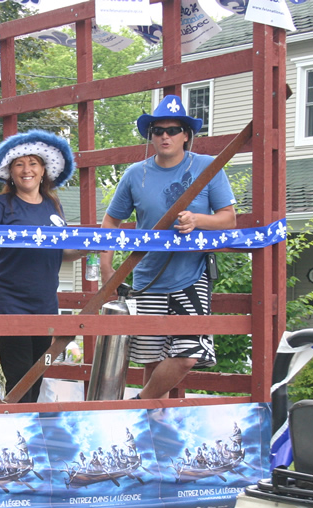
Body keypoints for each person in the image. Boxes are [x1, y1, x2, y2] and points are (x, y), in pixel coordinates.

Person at [99, 94, 236, 399]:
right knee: (152, 360)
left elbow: (228, 219)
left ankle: (138, 403)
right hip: (147, 277)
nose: (164, 136)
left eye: (172, 130)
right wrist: (107, 269)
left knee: (188, 354)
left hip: (191, 276)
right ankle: (152, 437)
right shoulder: (135, 174)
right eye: (157, 131)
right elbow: (110, 222)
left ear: (186, 135)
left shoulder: (208, 167)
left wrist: (197, 220)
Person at [0, 130, 81, 403]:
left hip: (44, 303)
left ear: (44, 170)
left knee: (36, 376)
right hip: (10, 301)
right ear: (10, 172)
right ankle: (18, 438)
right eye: (19, 164)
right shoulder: (0, 204)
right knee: (19, 377)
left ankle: (25, 435)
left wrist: (92, 247)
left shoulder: (54, 205)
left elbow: (64, 252)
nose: (26, 169)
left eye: (33, 163)